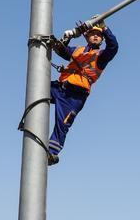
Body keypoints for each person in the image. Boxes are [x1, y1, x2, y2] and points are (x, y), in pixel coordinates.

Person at [47, 22, 118, 165]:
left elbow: (114, 47)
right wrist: (67, 38)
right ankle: (28, 121)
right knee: (36, 90)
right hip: (60, 88)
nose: (96, 36)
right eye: (93, 34)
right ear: (87, 36)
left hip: (75, 96)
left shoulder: (101, 56)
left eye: (99, 35)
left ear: (102, 38)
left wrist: (105, 28)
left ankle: (51, 153)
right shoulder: (77, 51)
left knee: (63, 124)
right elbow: (61, 50)